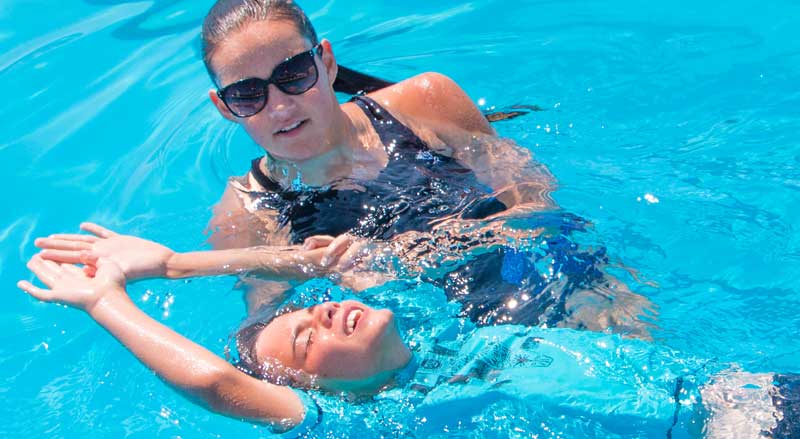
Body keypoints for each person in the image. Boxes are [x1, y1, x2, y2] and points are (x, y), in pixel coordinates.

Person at [19, 227, 798, 438]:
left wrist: (174, 264)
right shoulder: (364, 420)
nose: (321, 311)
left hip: (742, 393)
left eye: (310, 309)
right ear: (317, 389)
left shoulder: (438, 326)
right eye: (304, 341)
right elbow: (214, 383)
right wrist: (107, 300)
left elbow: (333, 259)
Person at [195, 0, 654, 335]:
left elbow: (538, 207)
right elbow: (276, 342)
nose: (278, 107)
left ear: (327, 62)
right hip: (451, 349)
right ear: (223, 107)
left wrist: (403, 259)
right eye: (248, 95)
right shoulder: (247, 215)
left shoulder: (426, 102)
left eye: (294, 74)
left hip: (555, 281)